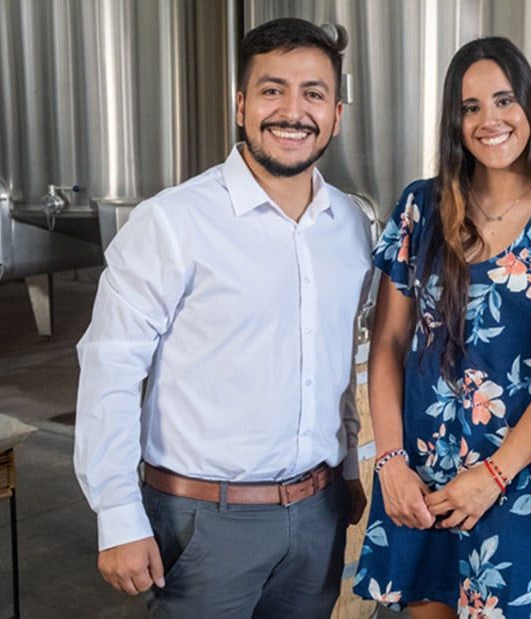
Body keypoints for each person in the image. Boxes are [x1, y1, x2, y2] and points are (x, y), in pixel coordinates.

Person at [73, 18, 371, 617]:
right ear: (240, 105)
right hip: (202, 524)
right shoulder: (173, 222)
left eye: (313, 93)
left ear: (336, 113)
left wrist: (348, 469)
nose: (293, 111)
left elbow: (347, 362)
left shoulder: (355, 226)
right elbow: (110, 367)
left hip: (319, 516)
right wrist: (117, 512)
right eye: (271, 90)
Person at [353, 37, 531, 618]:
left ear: (530, 108)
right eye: (471, 107)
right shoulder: (420, 208)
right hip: (420, 475)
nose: (488, 120)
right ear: (454, 121)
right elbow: (389, 342)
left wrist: (493, 475)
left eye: (503, 100)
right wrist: (390, 462)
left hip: (521, 479)